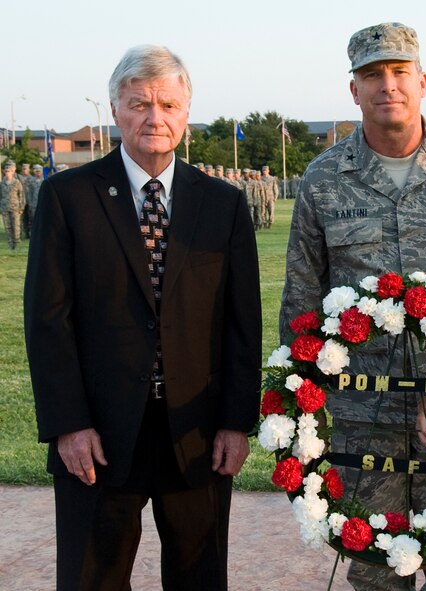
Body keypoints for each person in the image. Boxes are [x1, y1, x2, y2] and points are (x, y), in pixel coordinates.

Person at [280, 22, 426, 591]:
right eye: (371, 75)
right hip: (362, 412)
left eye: (399, 72)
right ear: (354, 91)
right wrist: (299, 407)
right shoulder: (323, 179)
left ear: (423, 81)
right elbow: (301, 298)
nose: (387, 85)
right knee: (371, 564)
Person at [24, 45, 262, 591]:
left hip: (196, 432)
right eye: (139, 104)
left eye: (168, 105)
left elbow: (241, 324)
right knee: (93, 579)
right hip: (98, 436)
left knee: (199, 577)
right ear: (115, 109)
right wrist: (67, 423)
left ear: (186, 112)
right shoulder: (67, 197)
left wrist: (234, 420)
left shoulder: (223, 204)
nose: (155, 118)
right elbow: (47, 320)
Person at [0, 160, 25, 250]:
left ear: (12, 172)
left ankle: (17, 244)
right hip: (4, 207)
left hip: (15, 207)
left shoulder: (17, 182)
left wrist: (22, 207)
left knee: (16, 227)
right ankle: (11, 244)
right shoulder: (2, 183)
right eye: (6, 171)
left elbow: (21, 195)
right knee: (8, 227)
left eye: (9, 171)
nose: (7, 173)